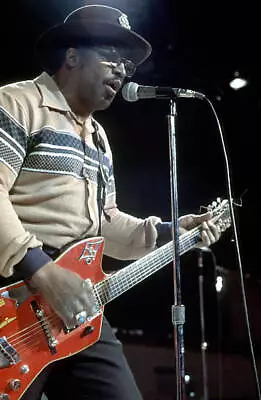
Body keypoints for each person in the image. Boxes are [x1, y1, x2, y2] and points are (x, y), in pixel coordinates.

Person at [0, 4, 220, 399]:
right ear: (71, 56)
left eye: (127, 64)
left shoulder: (99, 138)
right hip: (17, 295)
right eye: (112, 56)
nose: (121, 70)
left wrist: (174, 230)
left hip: (78, 308)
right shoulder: (18, 103)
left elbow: (106, 224)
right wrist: (44, 273)